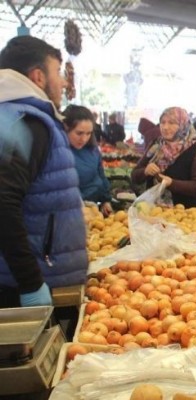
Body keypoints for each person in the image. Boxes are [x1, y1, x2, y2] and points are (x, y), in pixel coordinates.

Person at [0, 35, 88, 308]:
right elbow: (2, 200)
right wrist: (31, 283)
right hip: (25, 285)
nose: (63, 82)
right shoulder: (25, 121)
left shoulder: (16, 116)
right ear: (38, 77)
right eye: (57, 73)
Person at [131, 107, 196, 208]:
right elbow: (134, 176)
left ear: (183, 125)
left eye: (172, 123)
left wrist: (172, 183)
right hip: (154, 212)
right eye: (162, 122)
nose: (165, 127)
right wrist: (145, 171)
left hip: (185, 215)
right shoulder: (156, 146)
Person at [63, 104, 113, 216]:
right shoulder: (58, 153)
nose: (84, 139)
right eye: (79, 133)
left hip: (93, 210)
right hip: (70, 213)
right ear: (66, 128)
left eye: (88, 133)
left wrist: (106, 200)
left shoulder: (93, 150)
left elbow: (101, 175)